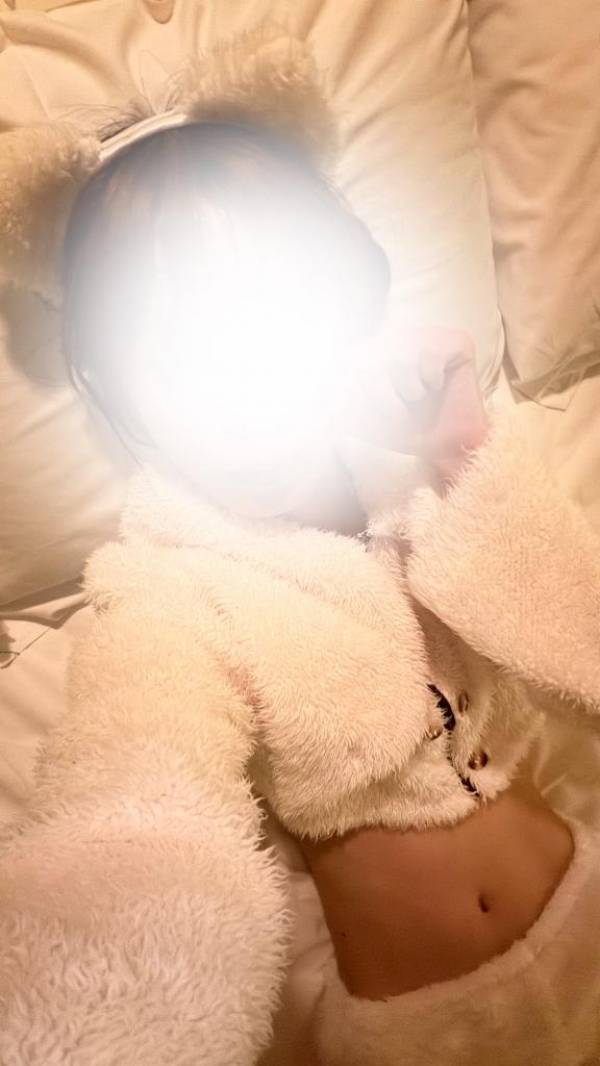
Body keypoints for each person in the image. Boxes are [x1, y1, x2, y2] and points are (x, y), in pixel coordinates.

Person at [0, 117, 598, 1066]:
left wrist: (465, 453)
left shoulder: (437, 475)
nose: (235, 382)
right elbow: (136, 805)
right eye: (179, 354)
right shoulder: (171, 593)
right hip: (433, 1036)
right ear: (120, 392)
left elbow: (581, 639)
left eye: (265, 316)